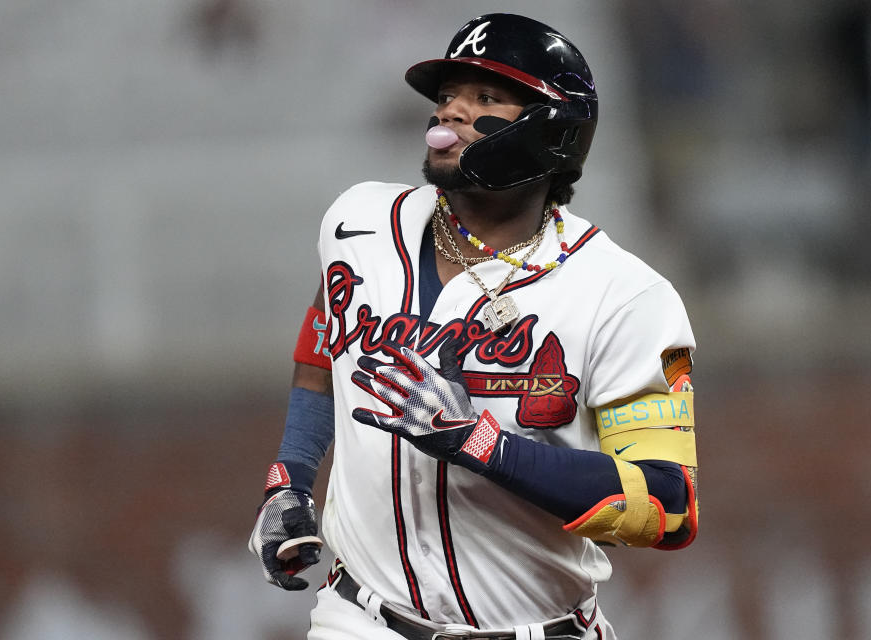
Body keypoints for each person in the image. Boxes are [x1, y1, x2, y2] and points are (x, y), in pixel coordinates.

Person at [248, 13, 699, 640]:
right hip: (360, 619)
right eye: (446, 97)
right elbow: (325, 341)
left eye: (486, 97)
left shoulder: (627, 296)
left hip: (536, 626)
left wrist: (484, 446)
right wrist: (289, 480)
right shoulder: (358, 222)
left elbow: (666, 506)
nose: (450, 113)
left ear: (554, 130)